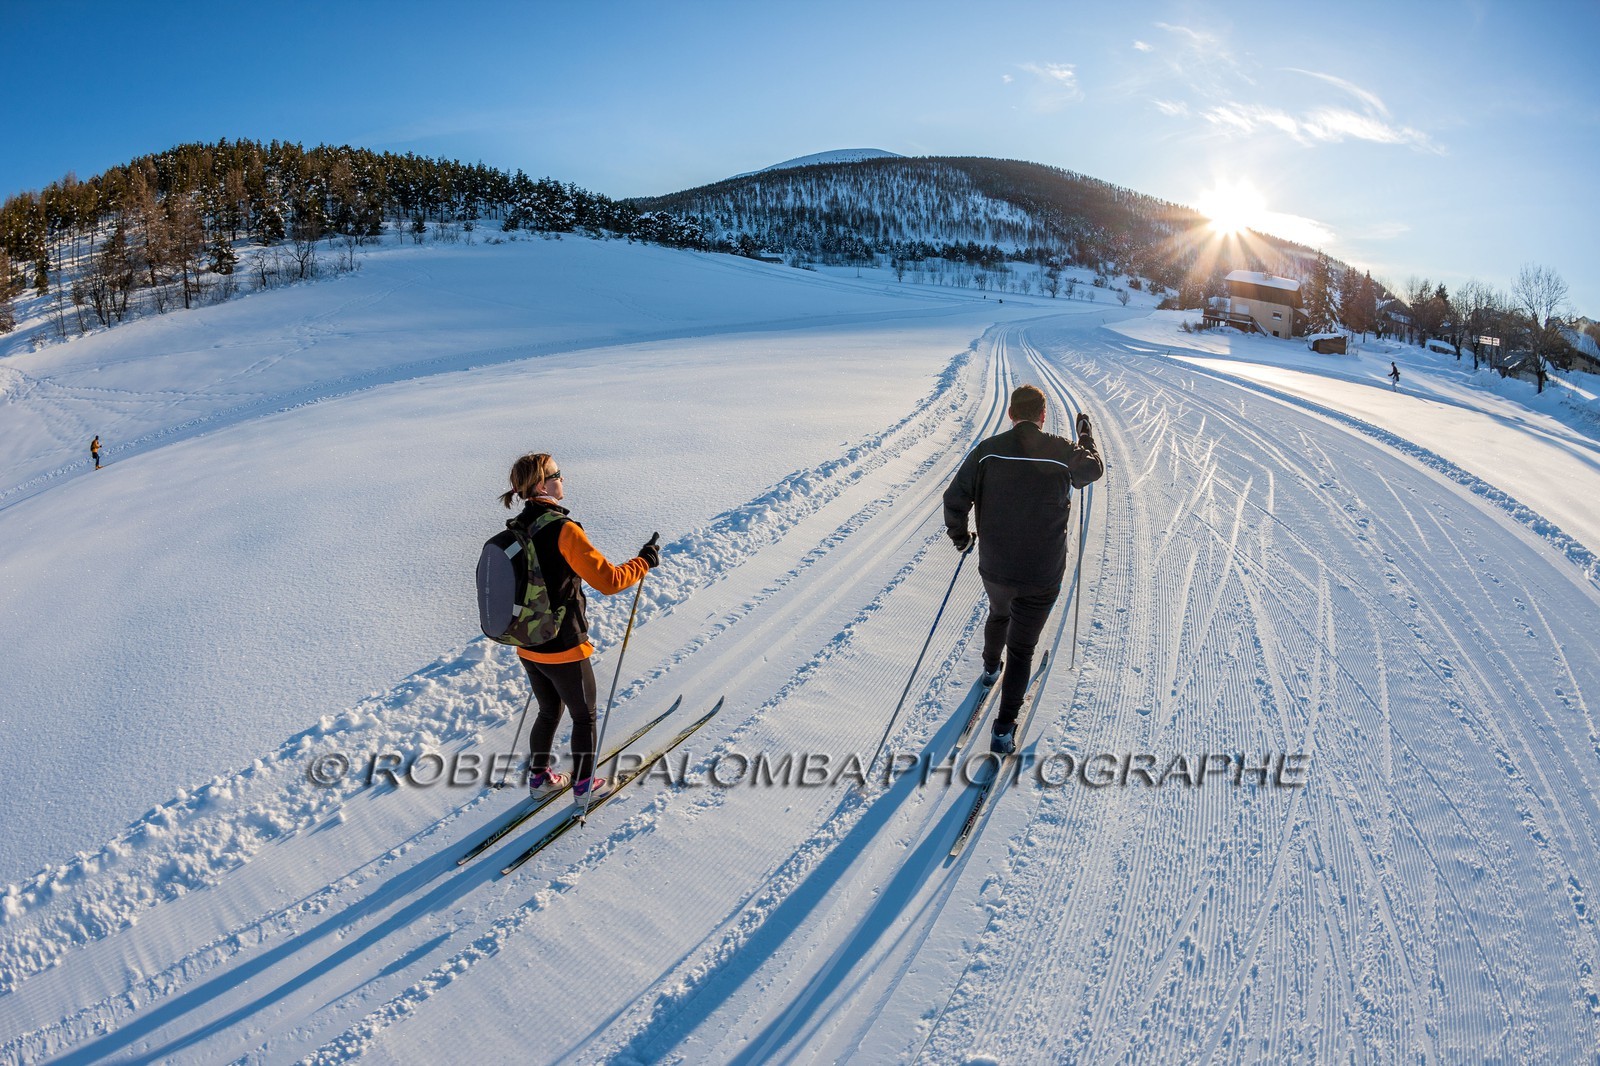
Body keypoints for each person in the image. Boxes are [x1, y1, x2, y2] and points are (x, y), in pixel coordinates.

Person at [944, 385, 1104, 753]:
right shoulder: (1062, 449)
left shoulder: (986, 451)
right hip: (1042, 571)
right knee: (1022, 649)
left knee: (998, 613)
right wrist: (1085, 436)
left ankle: (988, 670)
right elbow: (1091, 470)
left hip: (995, 565)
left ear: (1012, 415)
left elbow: (955, 498)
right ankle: (1003, 730)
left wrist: (961, 537)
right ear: (1042, 415)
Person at [498, 452, 659, 800]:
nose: (563, 479)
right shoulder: (563, 529)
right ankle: (585, 788)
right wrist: (643, 562)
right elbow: (609, 581)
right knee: (584, 717)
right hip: (563, 643)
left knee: (547, 710)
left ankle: (540, 780)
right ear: (542, 484)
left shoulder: (519, 526)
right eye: (558, 473)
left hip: (528, 641)